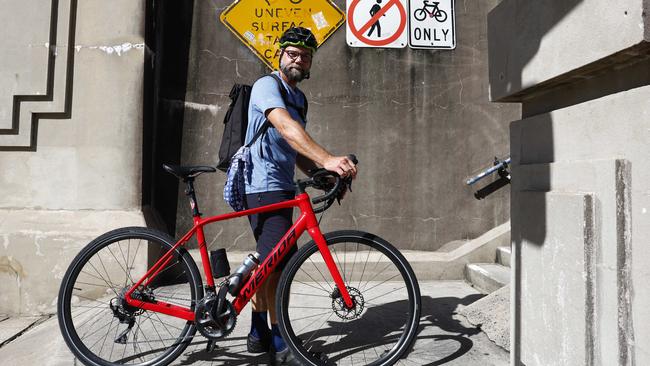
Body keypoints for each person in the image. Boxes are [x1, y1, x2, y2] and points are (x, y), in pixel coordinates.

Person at [243, 27, 357, 365]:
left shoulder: (299, 98)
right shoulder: (267, 86)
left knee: (271, 261)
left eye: (305, 56)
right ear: (280, 55)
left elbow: (295, 149)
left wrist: (322, 175)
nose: (299, 59)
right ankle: (281, 343)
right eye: (292, 53)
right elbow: (286, 129)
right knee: (281, 263)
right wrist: (328, 159)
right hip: (260, 183)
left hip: (280, 184)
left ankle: (257, 332)